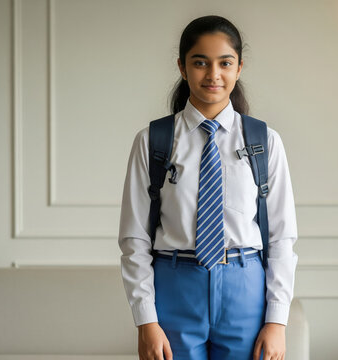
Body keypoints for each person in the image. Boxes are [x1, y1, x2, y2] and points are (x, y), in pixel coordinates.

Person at [117, 15, 298, 360]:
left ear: (239, 68)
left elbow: (281, 237)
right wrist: (145, 320)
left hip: (246, 290)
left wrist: (277, 321)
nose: (213, 75)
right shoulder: (153, 141)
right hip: (175, 289)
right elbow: (134, 238)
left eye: (225, 63)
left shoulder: (264, 141)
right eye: (200, 63)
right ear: (183, 68)